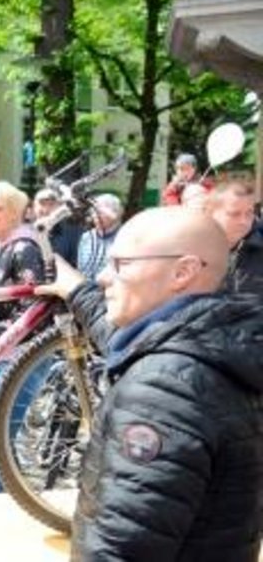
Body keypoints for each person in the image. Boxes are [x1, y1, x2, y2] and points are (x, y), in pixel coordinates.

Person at [38, 207, 262, 561]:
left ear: (183, 272)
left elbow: (121, 549)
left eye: (121, 264)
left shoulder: (163, 391)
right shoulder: (213, 343)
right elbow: (125, 339)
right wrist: (76, 289)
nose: (103, 277)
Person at [0, 181, 46, 493]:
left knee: (0, 439)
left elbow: (34, 305)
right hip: (0, 356)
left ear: (14, 211)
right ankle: (1, 496)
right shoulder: (4, 247)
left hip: (15, 357)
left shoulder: (24, 248)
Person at [206, 181, 263, 295]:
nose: (244, 221)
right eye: (234, 214)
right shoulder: (190, 251)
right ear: (211, 213)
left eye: (249, 213)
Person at [76, 193, 123, 277]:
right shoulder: (86, 237)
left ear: (115, 214)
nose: (95, 216)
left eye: (100, 212)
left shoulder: (124, 238)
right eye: (93, 212)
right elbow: (80, 268)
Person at [34, 187, 83, 266]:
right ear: (34, 207)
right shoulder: (26, 231)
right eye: (42, 204)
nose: (46, 209)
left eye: (51, 204)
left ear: (59, 207)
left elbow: (76, 263)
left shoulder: (73, 231)